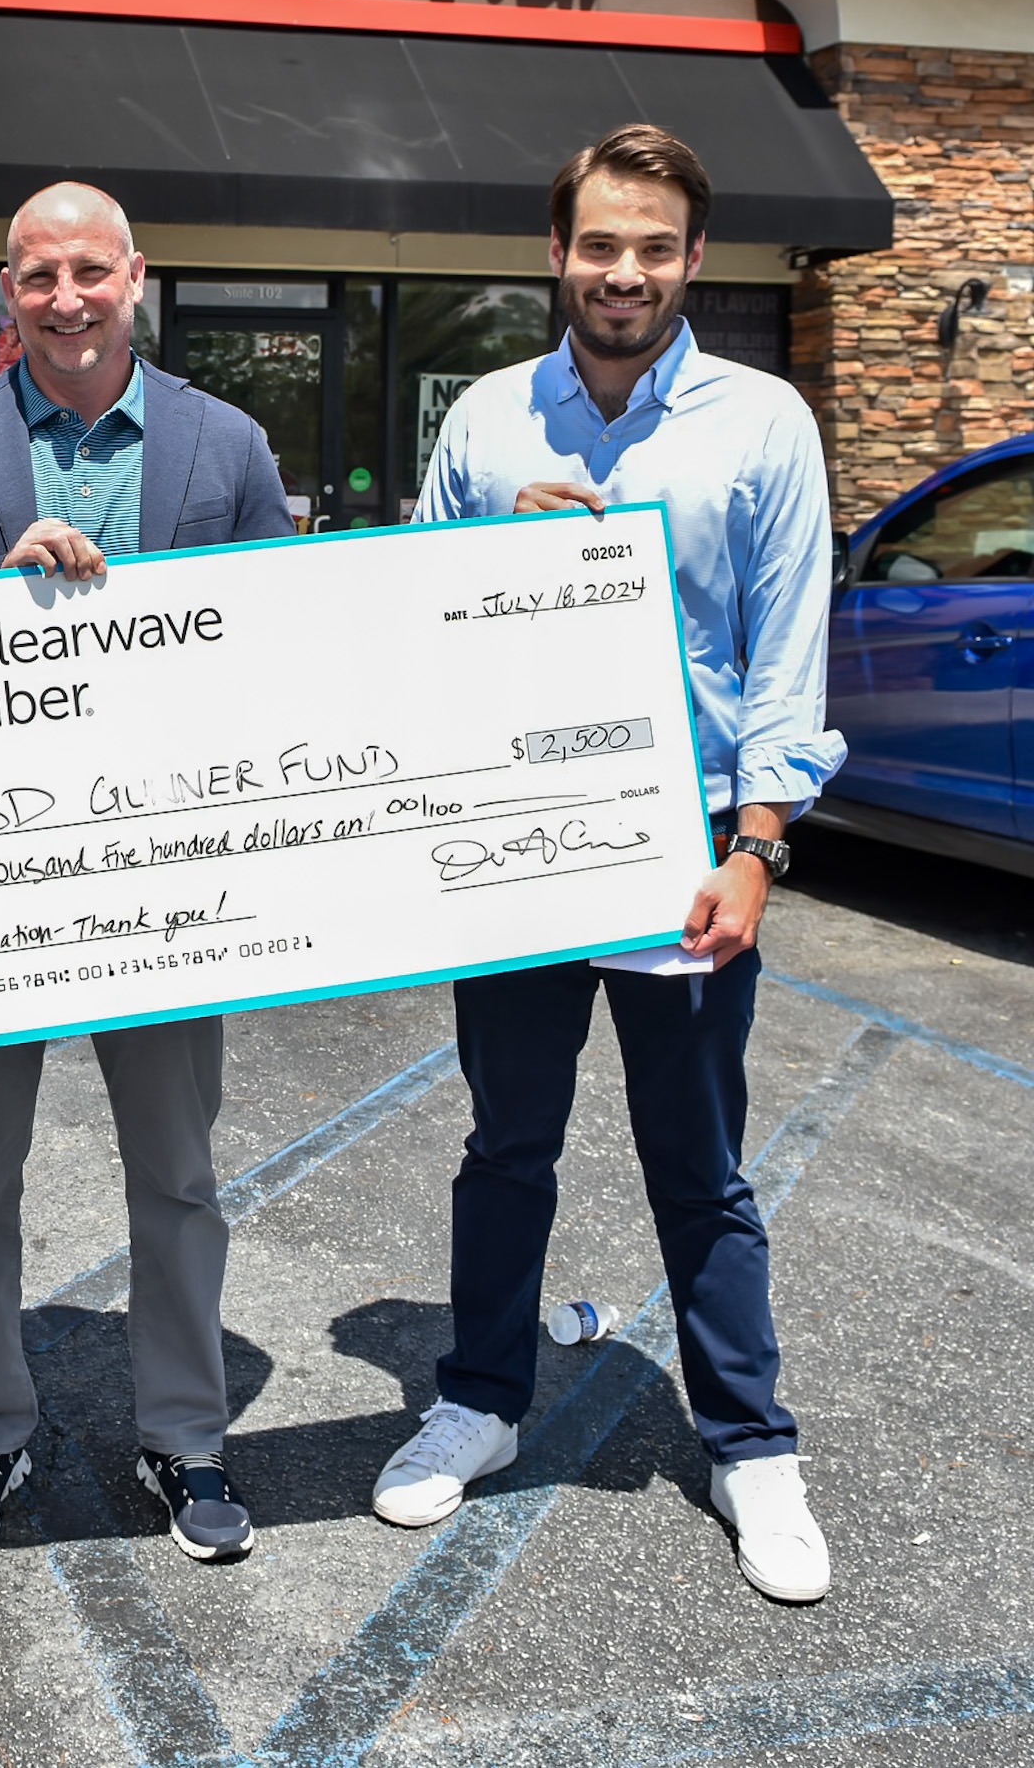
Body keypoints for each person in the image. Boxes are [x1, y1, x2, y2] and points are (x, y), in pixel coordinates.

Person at [375, 124, 845, 1604]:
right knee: (507, 1142)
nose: (622, 270)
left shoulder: (763, 421)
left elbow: (788, 653)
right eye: (598, 243)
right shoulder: (489, 426)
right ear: (558, 252)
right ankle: (479, 1398)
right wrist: (491, 552)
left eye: (651, 246)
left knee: (698, 1167)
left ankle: (750, 1440)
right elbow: (407, 607)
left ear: (693, 258)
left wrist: (758, 846)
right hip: (519, 847)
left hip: (689, 853)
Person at [0, 182, 293, 1561]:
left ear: (135, 278)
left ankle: (189, 1437)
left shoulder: (225, 445)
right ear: (7, 295)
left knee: (176, 1174)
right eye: (37, 275)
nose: (64, 297)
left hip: (166, 882)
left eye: (87, 273)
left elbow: (283, 645)